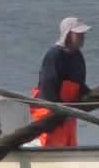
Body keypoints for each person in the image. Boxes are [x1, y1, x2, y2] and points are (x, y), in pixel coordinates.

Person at [28, 17, 91, 147]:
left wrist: (95, 97)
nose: (82, 36)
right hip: (49, 110)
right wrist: (57, 111)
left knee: (70, 147)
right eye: (78, 34)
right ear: (67, 34)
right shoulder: (54, 55)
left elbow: (80, 85)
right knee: (51, 145)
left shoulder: (78, 56)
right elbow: (48, 86)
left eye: (83, 34)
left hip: (68, 112)